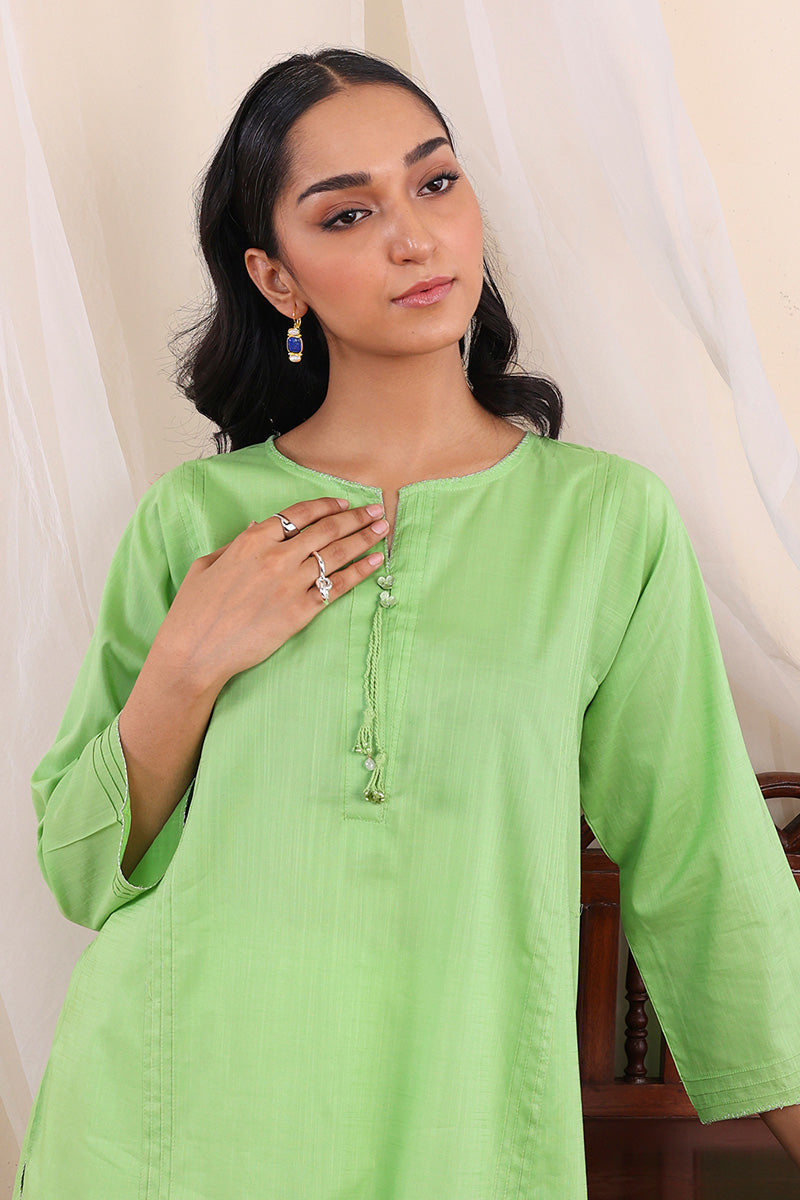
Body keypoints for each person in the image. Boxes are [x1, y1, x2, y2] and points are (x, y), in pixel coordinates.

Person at [13, 46, 800, 1200]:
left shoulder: (601, 522)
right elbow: (79, 870)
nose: (413, 236)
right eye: (347, 213)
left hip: (461, 1134)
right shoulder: (195, 520)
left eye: (434, 182)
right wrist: (186, 664)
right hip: (169, 1134)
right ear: (276, 278)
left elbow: (700, 857)